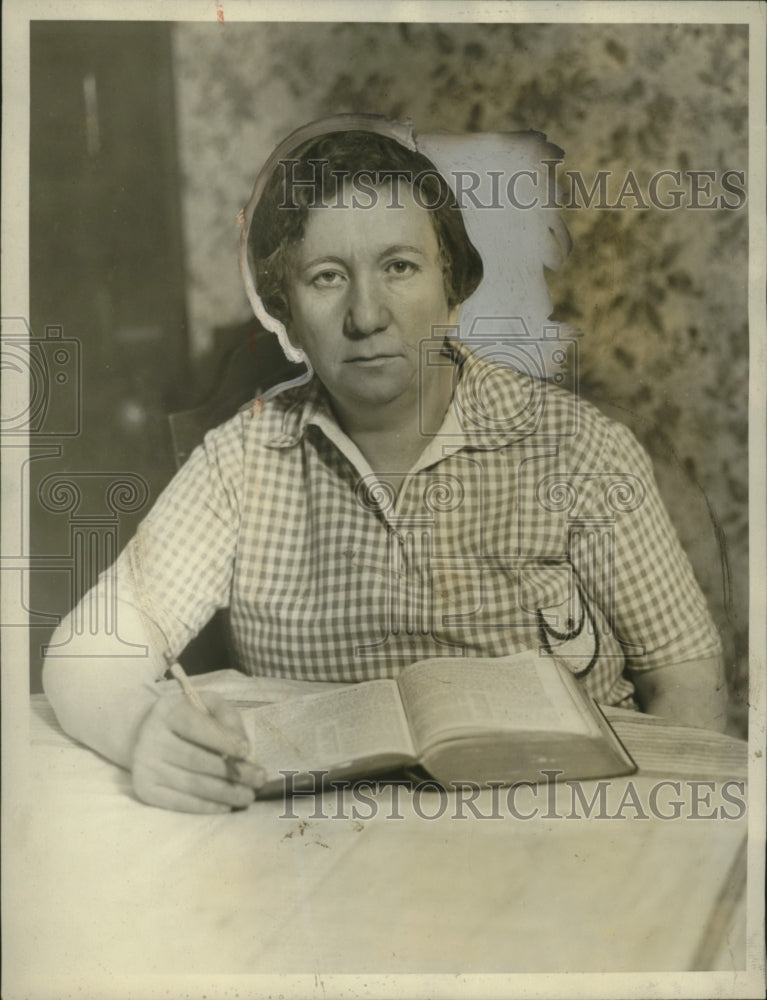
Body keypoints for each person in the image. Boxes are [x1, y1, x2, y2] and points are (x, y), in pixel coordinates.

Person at [43, 115, 727, 813]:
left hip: (564, 832)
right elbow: (86, 651)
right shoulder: (240, 462)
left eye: (398, 267)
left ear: (450, 288)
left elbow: (686, 681)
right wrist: (139, 732)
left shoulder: (578, 449)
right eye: (326, 277)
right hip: (326, 858)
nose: (365, 314)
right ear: (287, 313)